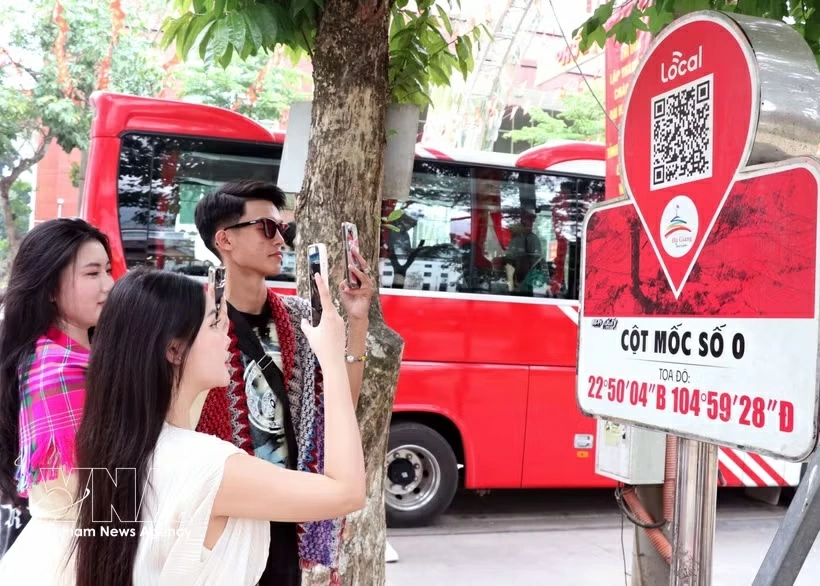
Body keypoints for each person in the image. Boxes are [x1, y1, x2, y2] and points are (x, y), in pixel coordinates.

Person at [0, 267, 366, 584]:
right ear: (174, 350)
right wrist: (332, 358)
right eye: (213, 325)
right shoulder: (208, 467)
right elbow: (346, 493)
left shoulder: (113, 449)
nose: (227, 337)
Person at [192, 180, 374, 584]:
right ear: (225, 239)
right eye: (266, 228)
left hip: (289, 512)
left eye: (283, 229)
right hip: (223, 515)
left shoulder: (297, 318)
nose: (281, 240)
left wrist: (357, 321)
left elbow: (341, 404)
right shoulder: (194, 323)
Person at [0, 218, 114, 561]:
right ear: (50, 287)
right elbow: (76, 493)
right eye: (92, 274)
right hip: (73, 548)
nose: (109, 284)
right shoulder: (55, 370)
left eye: (108, 270)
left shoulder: (87, 353)